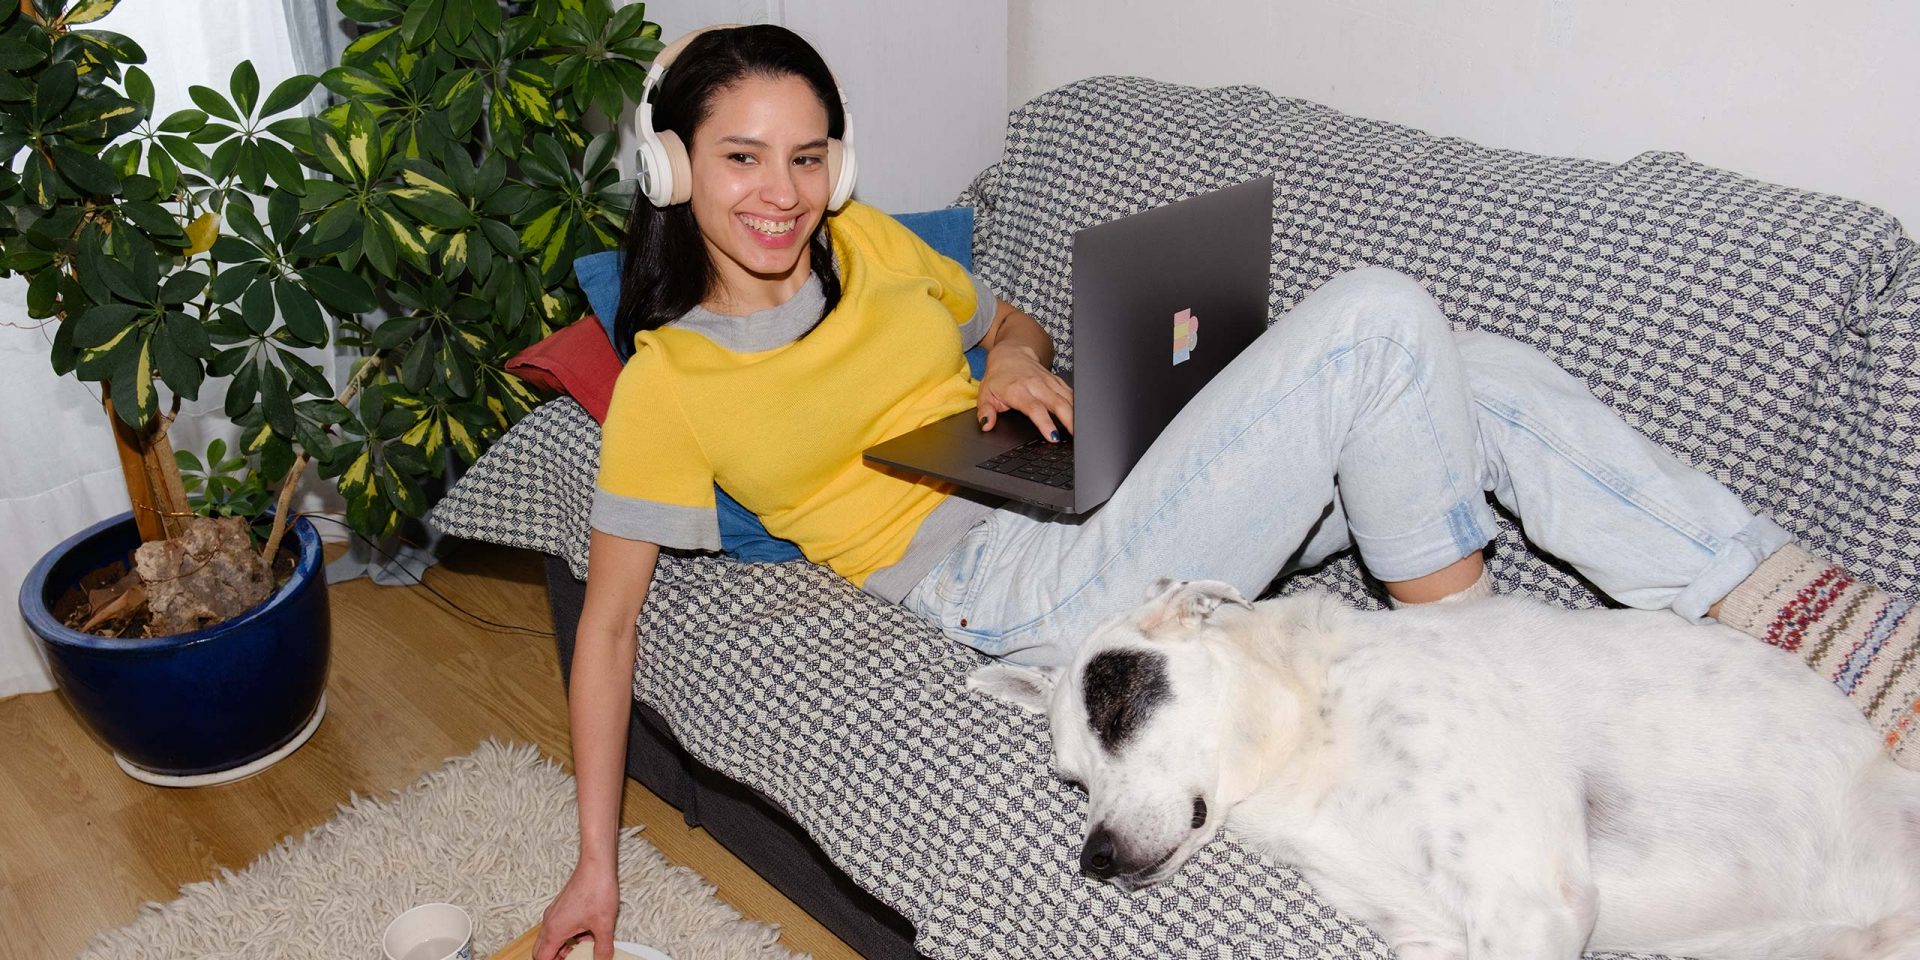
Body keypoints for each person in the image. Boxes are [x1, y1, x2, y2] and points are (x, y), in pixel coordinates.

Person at [535, 23, 1920, 960]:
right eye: (741, 158)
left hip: (1089, 487)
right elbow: (607, 631)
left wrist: (1014, 363)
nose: (782, 193)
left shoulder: (870, 238)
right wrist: (597, 861)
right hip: (1007, 586)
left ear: (842, 163)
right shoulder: (671, 385)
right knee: (1380, 320)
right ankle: (1485, 684)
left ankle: (1788, 602)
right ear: (671, 168)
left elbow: (995, 302)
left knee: (1460, 366)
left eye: (808, 154)